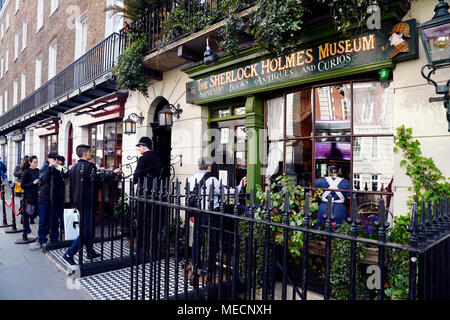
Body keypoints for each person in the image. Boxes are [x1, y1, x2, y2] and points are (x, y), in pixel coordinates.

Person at [62, 144, 121, 265]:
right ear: (85, 154)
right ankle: (69, 253)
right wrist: (113, 174)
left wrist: (73, 203)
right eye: (89, 152)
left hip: (79, 202)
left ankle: (89, 252)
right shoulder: (89, 166)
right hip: (88, 202)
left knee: (86, 228)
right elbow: (98, 179)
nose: (91, 154)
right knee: (86, 231)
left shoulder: (73, 168)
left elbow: (71, 187)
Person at [186, 157, 247, 274]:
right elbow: (227, 193)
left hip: (197, 214)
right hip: (210, 214)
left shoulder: (190, 179)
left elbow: (189, 199)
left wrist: (191, 215)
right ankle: (211, 268)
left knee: (196, 241)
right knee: (211, 240)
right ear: (209, 167)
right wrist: (240, 187)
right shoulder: (212, 180)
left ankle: (195, 265)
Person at [132, 137, 162, 255]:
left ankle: (141, 247)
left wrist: (135, 180)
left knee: (141, 220)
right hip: (154, 192)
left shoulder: (143, 158)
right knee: (153, 220)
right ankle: (152, 247)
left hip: (143, 192)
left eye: (140, 146)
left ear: (145, 146)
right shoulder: (157, 158)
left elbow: (136, 175)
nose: (139, 148)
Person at [30, 153, 65, 250]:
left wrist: (61, 168)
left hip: (55, 199)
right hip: (44, 199)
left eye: (57, 160)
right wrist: (50, 168)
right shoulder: (44, 168)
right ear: (49, 159)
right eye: (55, 159)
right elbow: (44, 179)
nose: (57, 161)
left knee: (54, 220)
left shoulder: (58, 168)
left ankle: (54, 238)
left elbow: (66, 175)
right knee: (43, 220)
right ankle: (42, 240)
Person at [20, 156, 39, 238]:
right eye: (35, 162)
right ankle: (28, 231)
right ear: (30, 162)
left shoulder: (38, 170)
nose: (36, 164)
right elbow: (23, 185)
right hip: (29, 196)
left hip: (38, 195)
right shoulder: (26, 172)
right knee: (28, 214)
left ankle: (23, 221)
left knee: (35, 213)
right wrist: (33, 183)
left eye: (37, 162)